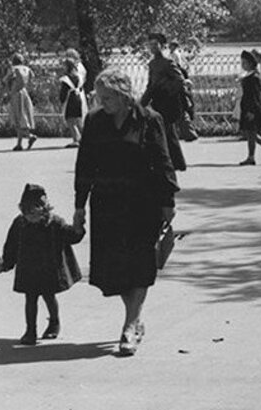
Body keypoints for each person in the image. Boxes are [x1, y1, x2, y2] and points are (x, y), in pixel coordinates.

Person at [73, 68, 178, 357]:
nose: (101, 102)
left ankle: (130, 325)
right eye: (99, 97)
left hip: (143, 203)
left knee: (140, 265)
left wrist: (168, 202)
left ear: (123, 94)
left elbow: (163, 161)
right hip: (107, 204)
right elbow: (85, 164)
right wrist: (79, 206)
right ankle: (135, 318)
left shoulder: (148, 119)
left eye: (107, 97)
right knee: (115, 270)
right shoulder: (95, 121)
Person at [0, 182, 83, 346]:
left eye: (34, 213)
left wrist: (78, 227)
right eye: (27, 213)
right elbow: (11, 245)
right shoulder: (20, 223)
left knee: (49, 297)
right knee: (30, 299)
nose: (30, 217)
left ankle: (54, 322)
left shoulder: (55, 223)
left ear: (44, 210)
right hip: (28, 269)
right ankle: (30, 330)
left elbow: (71, 237)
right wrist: (7, 263)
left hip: (49, 269)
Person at [139, 32, 190, 172]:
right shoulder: (152, 64)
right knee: (165, 132)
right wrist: (141, 103)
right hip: (157, 102)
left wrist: (166, 90)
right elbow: (151, 86)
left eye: (155, 45)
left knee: (168, 131)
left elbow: (179, 81)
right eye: (150, 45)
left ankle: (176, 163)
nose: (152, 47)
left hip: (168, 103)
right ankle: (175, 162)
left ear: (162, 46)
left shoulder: (168, 62)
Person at [237, 51, 261, 165]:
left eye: (244, 62)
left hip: (252, 108)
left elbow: (254, 96)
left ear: (250, 63)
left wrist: (251, 111)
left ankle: (252, 156)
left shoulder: (253, 77)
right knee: (249, 133)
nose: (242, 65)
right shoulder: (250, 76)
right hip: (248, 108)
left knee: (250, 132)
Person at [7, 54, 37, 150]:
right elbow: (32, 78)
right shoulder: (27, 69)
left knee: (17, 117)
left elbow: (6, 79)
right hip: (24, 93)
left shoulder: (13, 69)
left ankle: (29, 136)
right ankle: (19, 144)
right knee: (23, 117)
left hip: (15, 93)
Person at [57, 52, 87, 148]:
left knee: (70, 120)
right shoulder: (78, 77)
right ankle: (84, 137)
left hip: (71, 100)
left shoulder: (66, 79)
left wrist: (61, 100)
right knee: (78, 120)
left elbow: (63, 92)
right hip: (79, 99)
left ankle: (76, 139)